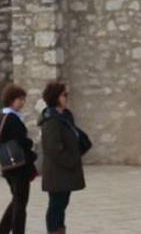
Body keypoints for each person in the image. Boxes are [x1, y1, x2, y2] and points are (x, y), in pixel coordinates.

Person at [38, 82, 88, 234]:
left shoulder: (65, 115)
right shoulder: (51, 120)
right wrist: (71, 160)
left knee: (62, 204)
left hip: (65, 171)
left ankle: (60, 230)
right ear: (55, 97)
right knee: (56, 205)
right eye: (64, 95)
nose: (67, 98)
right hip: (57, 172)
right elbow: (53, 148)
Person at [0, 84, 37, 234]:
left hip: (9, 166)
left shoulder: (2, 117)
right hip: (18, 166)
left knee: (17, 200)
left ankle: (2, 231)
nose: (22, 102)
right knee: (20, 202)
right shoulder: (12, 118)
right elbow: (21, 141)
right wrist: (30, 144)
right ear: (12, 100)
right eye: (20, 99)